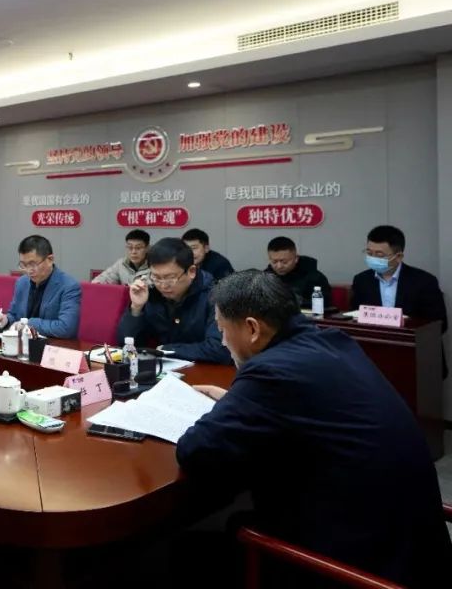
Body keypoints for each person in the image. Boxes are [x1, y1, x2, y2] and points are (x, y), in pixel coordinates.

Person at [177, 270, 452, 587]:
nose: (223, 341)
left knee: (195, 549)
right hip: (417, 548)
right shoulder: (333, 341)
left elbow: (195, 450)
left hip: (361, 565)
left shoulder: (271, 372)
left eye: (223, 330)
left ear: (252, 328)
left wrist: (234, 407)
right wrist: (238, 403)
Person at [351, 224, 448, 377]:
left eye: (379, 255)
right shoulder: (361, 280)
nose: (373, 258)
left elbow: (440, 324)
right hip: (374, 358)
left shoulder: (424, 281)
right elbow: (355, 316)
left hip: (416, 357)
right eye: (369, 253)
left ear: (399, 256)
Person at [116, 238, 228, 364]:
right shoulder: (151, 293)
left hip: (207, 371)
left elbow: (219, 349)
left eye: (170, 278)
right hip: (165, 369)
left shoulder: (216, 296)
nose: (163, 285)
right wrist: (136, 308)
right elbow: (126, 344)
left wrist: (167, 350)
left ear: (191, 271)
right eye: (156, 277)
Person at [0, 235, 81, 338]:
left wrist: (29, 323)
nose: (28, 270)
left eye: (32, 264)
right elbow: (14, 315)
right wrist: (5, 320)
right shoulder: (22, 282)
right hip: (22, 343)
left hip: (53, 345)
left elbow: (67, 328)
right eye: (23, 265)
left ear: (50, 259)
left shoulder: (68, 286)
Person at [263, 236, 331, 309]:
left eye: (284, 262)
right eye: (274, 262)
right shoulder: (264, 278)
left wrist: (295, 301)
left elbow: (325, 304)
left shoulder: (315, 278)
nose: (279, 266)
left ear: (296, 258)